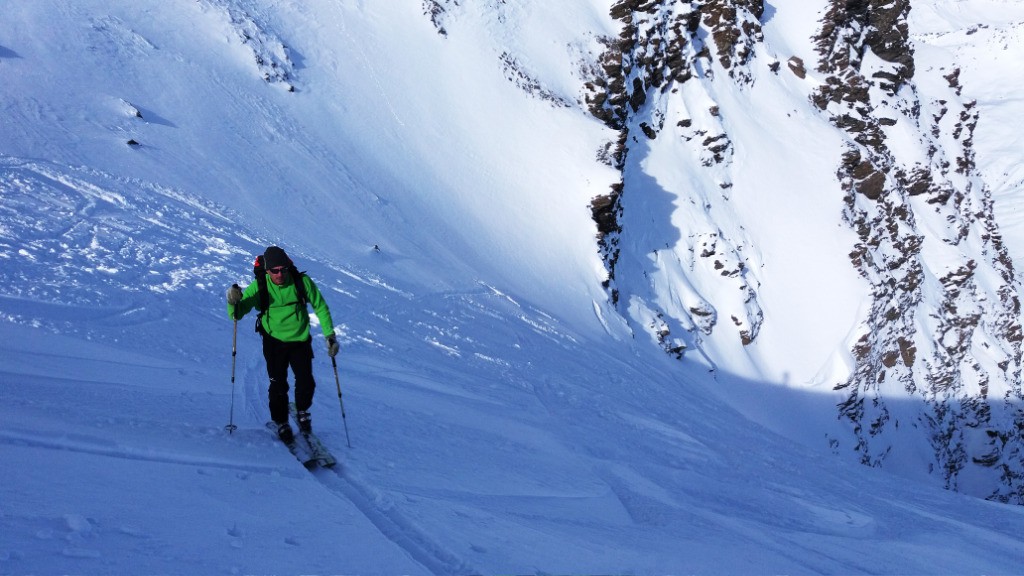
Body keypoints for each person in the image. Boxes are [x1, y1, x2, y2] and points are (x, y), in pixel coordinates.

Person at [225, 246, 339, 443]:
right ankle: (281, 422)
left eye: (283, 269)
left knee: (306, 381)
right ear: (267, 270)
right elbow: (237, 314)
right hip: (274, 341)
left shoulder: (301, 282)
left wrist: (330, 335)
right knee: (278, 383)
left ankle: (302, 411)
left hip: (300, 339)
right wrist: (233, 300)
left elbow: (320, 306)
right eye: (274, 270)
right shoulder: (260, 286)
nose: (279, 274)